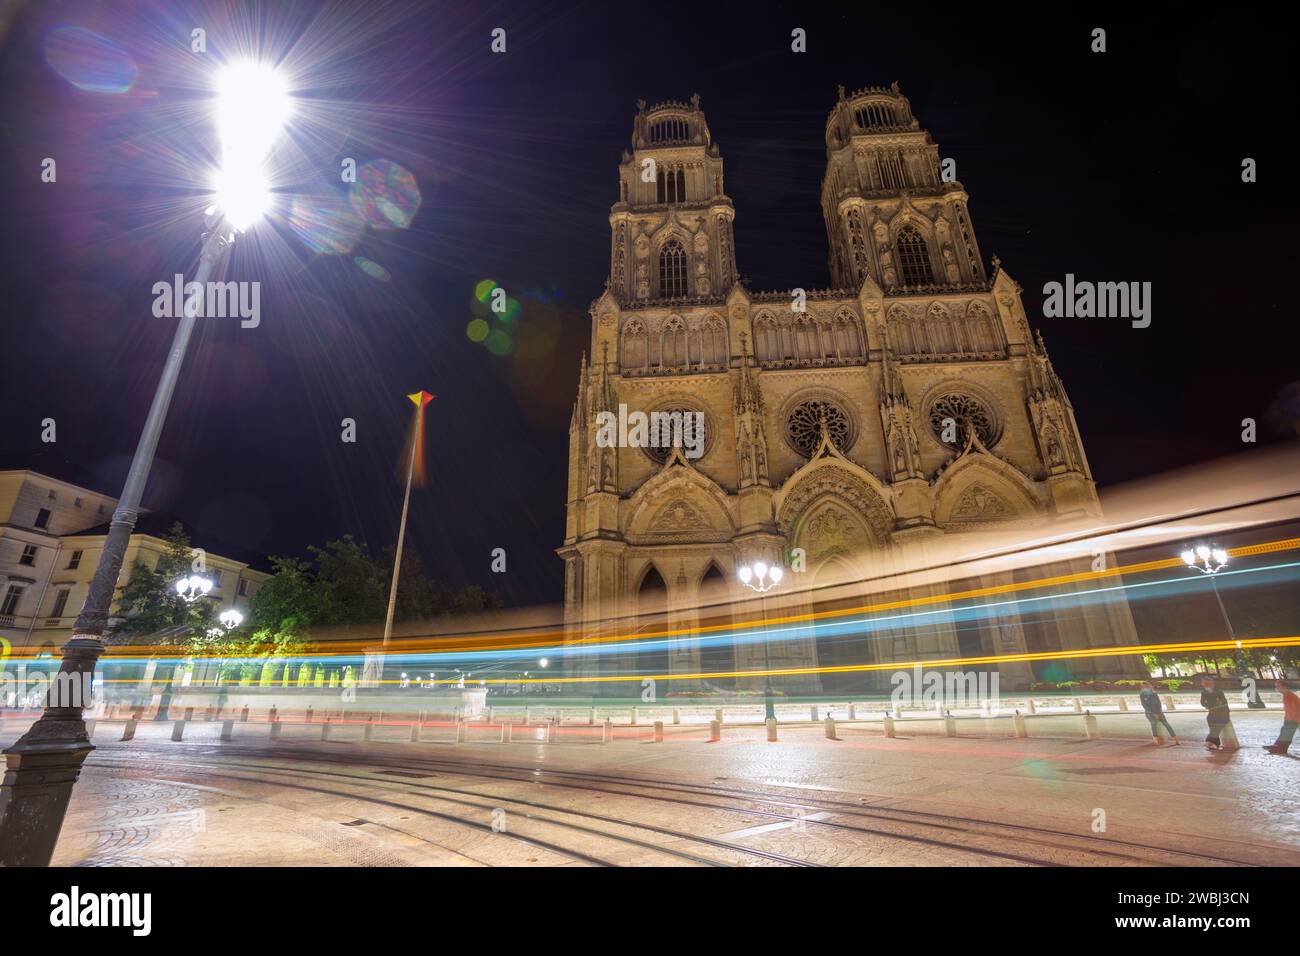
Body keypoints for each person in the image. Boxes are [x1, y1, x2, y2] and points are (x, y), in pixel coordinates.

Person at [1264, 680, 1299, 756]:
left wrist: (1290, 719)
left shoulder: (1288, 695)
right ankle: (1279, 748)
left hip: (1294, 718)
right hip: (1292, 718)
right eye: (1276, 686)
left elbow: (1294, 708)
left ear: (1284, 686)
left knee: (1286, 733)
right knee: (1285, 733)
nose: (1277, 688)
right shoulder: (1288, 694)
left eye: (1278, 686)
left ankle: (1278, 748)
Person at [1139, 680, 1179, 745]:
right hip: (1159, 712)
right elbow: (1158, 703)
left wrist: (1154, 713)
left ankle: (1157, 740)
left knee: (1153, 724)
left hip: (1151, 713)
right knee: (1166, 724)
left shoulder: (1143, 692)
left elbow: (1146, 704)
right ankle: (1175, 739)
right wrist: (1159, 711)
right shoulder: (1153, 692)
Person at [1199, 676, 1231, 750]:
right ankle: (1214, 744)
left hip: (1222, 712)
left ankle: (1209, 742)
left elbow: (1224, 701)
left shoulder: (1218, 691)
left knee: (1216, 728)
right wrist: (1209, 705)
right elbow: (1203, 702)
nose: (1203, 685)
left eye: (1204, 683)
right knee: (1214, 729)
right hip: (1213, 712)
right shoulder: (1204, 692)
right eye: (1203, 683)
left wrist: (1227, 710)